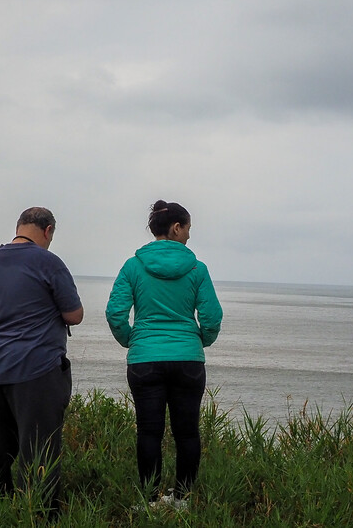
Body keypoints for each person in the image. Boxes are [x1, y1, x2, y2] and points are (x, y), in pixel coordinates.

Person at [106, 200, 223, 509]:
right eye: (187, 229)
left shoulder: (133, 266)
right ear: (175, 227)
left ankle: (148, 501)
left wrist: (133, 340)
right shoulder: (198, 269)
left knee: (148, 431)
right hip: (187, 359)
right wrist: (199, 342)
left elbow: (115, 312)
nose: (188, 236)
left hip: (145, 358)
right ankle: (182, 499)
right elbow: (211, 318)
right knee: (187, 432)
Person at [0, 206, 83, 512]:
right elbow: (74, 315)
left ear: (20, 226)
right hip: (37, 367)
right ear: (48, 231)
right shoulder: (48, 262)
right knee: (39, 451)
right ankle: (40, 513)